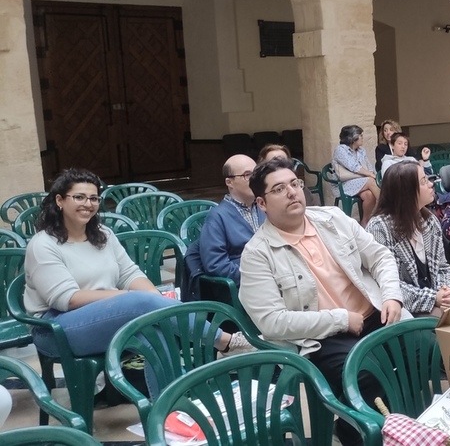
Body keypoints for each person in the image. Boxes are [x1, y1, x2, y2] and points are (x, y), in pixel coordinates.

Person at [25, 170, 253, 391]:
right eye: (79, 197)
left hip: (104, 315)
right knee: (138, 303)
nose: (88, 203)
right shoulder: (43, 244)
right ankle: (224, 340)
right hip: (56, 327)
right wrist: (133, 299)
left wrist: (155, 301)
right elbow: (67, 299)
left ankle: (168, 407)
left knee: (156, 329)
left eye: (93, 198)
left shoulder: (102, 234)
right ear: (59, 200)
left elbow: (130, 274)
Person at [239, 157, 406, 446]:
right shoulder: (257, 254)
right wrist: (341, 319)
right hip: (321, 338)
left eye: (295, 183)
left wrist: (392, 295)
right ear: (262, 204)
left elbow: (380, 256)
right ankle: (367, 435)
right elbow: (272, 322)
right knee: (367, 376)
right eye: (278, 189)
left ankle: (404, 430)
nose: (292, 192)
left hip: (375, 314)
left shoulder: (332, 219)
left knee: (425, 350)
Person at [366, 162, 450, 317]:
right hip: (405, 306)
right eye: (424, 181)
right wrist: (433, 298)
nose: (431, 184)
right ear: (406, 191)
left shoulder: (430, 221)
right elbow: (389, 284)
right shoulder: (379, 228)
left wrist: (447, 292)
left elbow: (443, 268)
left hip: (436, 294)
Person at [184, 154, 266, 302]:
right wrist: (254, 277)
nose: (255, 179)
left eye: (257, 173)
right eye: (247, 175)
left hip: (272, 279)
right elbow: (215, 264)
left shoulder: (264, 207)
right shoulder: (217, 217)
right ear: (230, 182)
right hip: (244, 288)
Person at [332, 125, 380, 226]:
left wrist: (371, 173)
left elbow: (369, 167)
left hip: (360, 182)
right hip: (343, 184)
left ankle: (365, 221)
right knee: (371, 180)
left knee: (370, 195)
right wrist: (370, 175)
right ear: (352, 138)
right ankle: (387, 207)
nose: (362, 137)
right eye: (360, 135)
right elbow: (353, 167)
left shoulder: (361, 151)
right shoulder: (341, 150)